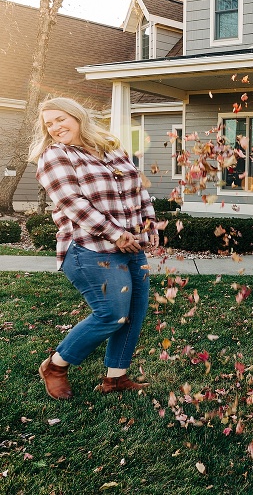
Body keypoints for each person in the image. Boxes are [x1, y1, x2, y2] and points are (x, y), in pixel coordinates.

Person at [30, 97, 159, 400]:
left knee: (134, 314)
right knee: (111, 314)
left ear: (77, 116)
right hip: (89, 248)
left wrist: (149, 226)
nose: (55, 127)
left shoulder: (112, 148)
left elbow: (138, 190)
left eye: (60, 119)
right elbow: (73, 204)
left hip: (131, 246)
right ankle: (56, 366)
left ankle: (116, 378)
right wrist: (115, 234)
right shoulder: (54, 156)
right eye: (49, 123)